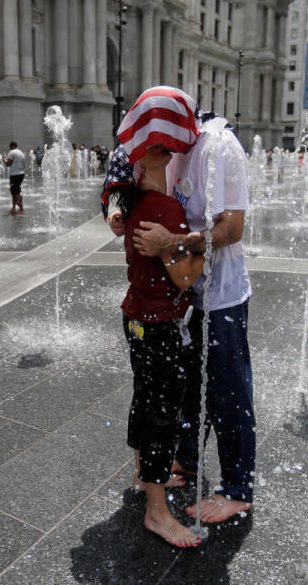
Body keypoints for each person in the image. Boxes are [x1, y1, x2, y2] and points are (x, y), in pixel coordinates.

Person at [105, 86, 255, 524]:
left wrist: (174, 242)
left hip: (221, 295)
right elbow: (129, 181)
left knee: (228, 391)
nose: (155, 149)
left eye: (157, 139)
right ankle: (186, 462)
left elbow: (232, 228)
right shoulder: (172, 149)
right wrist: (119, 210)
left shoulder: (220, 147)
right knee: (188, 390)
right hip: (182, 297)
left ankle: (238, 487)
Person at [114, 134, 206, 548]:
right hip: (160, 323)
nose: (171, 153)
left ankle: (141, 471)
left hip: (134, 316)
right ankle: (157, 511)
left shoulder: (128, 205)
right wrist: (199, 244)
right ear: (161, 159)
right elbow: (185, 276)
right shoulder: (166, 208)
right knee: (163, 411)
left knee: (145, 395)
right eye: (164, 149)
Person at [4, 141, 26, 214]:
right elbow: (24, 165)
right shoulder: (21, 153)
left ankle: (21, 207)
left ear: (11, 146)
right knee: (13, 191)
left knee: (17, 191)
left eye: (10, 147)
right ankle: (13, 207)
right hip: (21, 174)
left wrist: (4, 159)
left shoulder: (12, 152)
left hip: (15, 174)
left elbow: (8, 164)